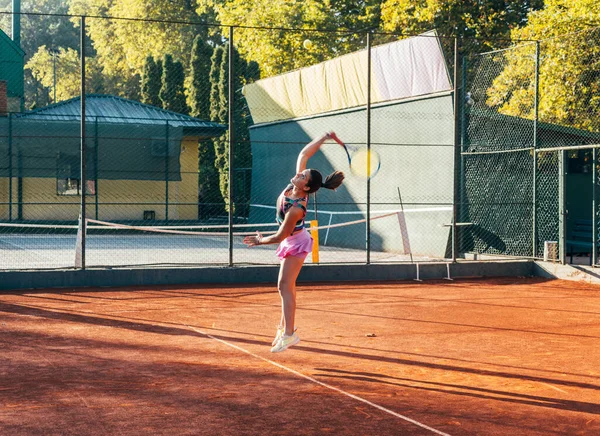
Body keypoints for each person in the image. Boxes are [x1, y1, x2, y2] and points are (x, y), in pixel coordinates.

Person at [243, 132, 345, 353]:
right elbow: (304, 153)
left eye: (302, 176)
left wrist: (260, 241)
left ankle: (290, 334)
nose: (298, 174)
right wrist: (324, 137)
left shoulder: (296, 208)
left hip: (297, 243)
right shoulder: (295, 185)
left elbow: (280, 236)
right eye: (301, 173)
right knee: (286, 286)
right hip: (291, 240)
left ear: (306, 187)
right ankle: (284, 327)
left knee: (284, 286)